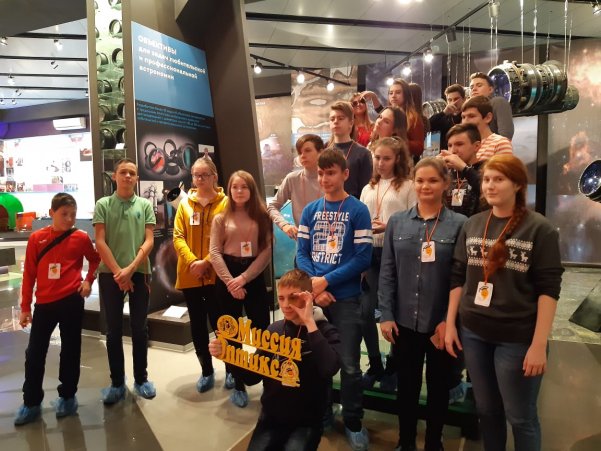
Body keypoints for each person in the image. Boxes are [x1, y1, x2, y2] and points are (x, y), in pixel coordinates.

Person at [445, 155, 564, 451]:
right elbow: (458, 277)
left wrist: (539, 345)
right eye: (487, 179)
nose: (490, 186)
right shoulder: (473, 224)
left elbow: (549, 290)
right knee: (487, 410)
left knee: (521, 417)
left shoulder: (540, 229)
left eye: (499, 179)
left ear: (518, 184)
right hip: (474, 333)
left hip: (517, 338)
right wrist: (450, 324)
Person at [379, 158, 467, 451]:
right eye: (419, 180)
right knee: (407, 387)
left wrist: (448, 321)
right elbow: (387, 271)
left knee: (439, 388)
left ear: (445, 184)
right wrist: (386, 314)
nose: (425, 186)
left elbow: (461, 278)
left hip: (440, 324)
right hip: (404, 321)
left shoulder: (460, 225)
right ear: (412, 183)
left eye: (432, 180)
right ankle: (406, 442)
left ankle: (433, 442)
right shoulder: (397, 222)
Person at [208, 269, 341, 451]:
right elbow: (252, 377)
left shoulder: (325, 331)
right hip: (271, 417)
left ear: (308, 297)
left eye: (293, 297)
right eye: (281, 298)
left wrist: (310, 322)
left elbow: (329, 368)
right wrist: (228, 356)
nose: (285, 305)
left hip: (306, 421)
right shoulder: (274, 330)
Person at [297, 149, 373, 450]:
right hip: (314, 299)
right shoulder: (310, 210)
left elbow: (363, 257)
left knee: (350, 366)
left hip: (347, 299)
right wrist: (316, 289)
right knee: (318, 362)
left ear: (345, 174)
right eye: (321, 173)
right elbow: (302, 254)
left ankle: (353, 420)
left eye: (331, 173)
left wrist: (327, 281)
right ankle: (324, 413)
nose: (325, 179)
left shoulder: (358, 210)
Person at [14, 193, 100, 425]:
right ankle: (31, 402)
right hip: (44, 304)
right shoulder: (37, 238)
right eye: (64, 214)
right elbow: (29, 274)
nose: (69, 219)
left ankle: (68, 397)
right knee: (34, 353)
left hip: (72, 301)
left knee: (71, 350)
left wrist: (88, 281)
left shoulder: (80, 237)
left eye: (73, 215)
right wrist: (25, 308)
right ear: (52, 213)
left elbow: (95, 259)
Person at [93, 158, 156, 404]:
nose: (128, 176)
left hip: (139, 272)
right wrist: (119, 272)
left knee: (140, 328)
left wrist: (130, 270)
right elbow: (100, 241)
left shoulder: (145, 205)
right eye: (123, 172)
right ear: (115, 176)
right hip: (110, 274)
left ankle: (141, 379)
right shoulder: (103, 204)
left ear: (137, 178)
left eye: (132, 173)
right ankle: (117, 383)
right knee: (113, 330)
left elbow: (149, 241)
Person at [209, 170, 272, 408]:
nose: (239, 191)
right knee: (230, 332)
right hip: (227, 275)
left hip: (252, 275)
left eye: (244, 187)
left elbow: (266, 251)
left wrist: (244, 279)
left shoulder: (262, 216)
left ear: (251, 190)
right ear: (229, 190)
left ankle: (264, 378)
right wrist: (230, 282)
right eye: (235, 187)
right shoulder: (220, 218)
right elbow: (214, 253)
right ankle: (237, 382)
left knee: (262, 331)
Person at [359, 138, 415, 390]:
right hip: (369, 252)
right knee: (364, 312)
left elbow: (415, 221)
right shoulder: (367, 188)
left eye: (387, 158)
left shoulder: (409, 186)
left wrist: (389, 226)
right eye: (377, 157)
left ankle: (393, 363)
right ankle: (374, 362)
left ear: (398, 159)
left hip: (396, 253)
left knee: (394, 311)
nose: (381, 163)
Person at [173, 157, 228, 393]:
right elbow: (178, 236)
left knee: (222, 323)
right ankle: (206, 370)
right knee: (197, 324)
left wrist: (207, 261)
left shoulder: (226, 203)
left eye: (204, 175)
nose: (200, 179)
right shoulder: (185, 204)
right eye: (196, 175)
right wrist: (193, 262)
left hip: (217, 274)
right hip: (190, 275)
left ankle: (231, 369)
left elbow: (227, 238)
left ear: (214, 176)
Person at [267, 134, 324, 240]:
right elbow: (272, 206)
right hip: (302, 242)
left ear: (320, 152)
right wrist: (284, 225)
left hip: (328, 242)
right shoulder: (292, 179)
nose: (303, 155)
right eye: (300, 152)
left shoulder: (330, 178)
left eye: (307, 150)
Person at [328, 101, 373, 199]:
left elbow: (366, 191)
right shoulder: (325, 153)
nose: (335, 121)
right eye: (332, 119)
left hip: (354, 205)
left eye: (340, 118)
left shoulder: (363, 154)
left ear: (351, 123)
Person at [440, 123, 484, 218]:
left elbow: (486, 189)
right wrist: (436, 171)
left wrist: (464, 168)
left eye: (459, 144)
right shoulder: (448, 172)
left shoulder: (486, 168)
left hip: (477, 224)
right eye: (450, 145)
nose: (453, 150)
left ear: (476, 146)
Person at [461, 96, 513, 162]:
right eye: (463, 117)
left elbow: (503, 169)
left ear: (488, 118)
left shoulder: (500, 143)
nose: (465, 121)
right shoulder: (462, 143)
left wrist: (462, 166)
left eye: (471, 116)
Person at [469, 72, 514, 140]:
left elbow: (506, 134)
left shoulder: (498, 102)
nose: (474, 89)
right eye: (471, 87)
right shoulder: (468, 110)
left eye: (479, 85)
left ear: (490, 89)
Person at [429, 84, 465, 151]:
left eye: (456, 99)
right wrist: (444, 112)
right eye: (450, 100)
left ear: (464, 99)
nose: (453, 102)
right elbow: (429, 125)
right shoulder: (444, 117)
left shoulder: (467, 116)